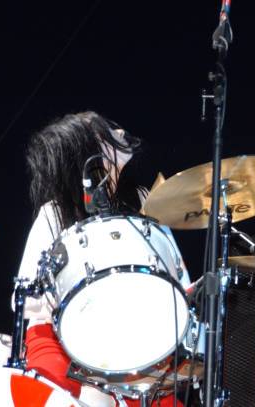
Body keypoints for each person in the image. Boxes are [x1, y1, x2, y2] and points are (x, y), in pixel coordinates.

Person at [17, 111, 188, 407]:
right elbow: (28, 300)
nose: (120, 129)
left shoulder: (145, 199)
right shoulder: (54, 213)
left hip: (140, 345)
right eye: (106, 129)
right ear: (86, 150)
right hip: (61, 346)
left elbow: (176, 276)